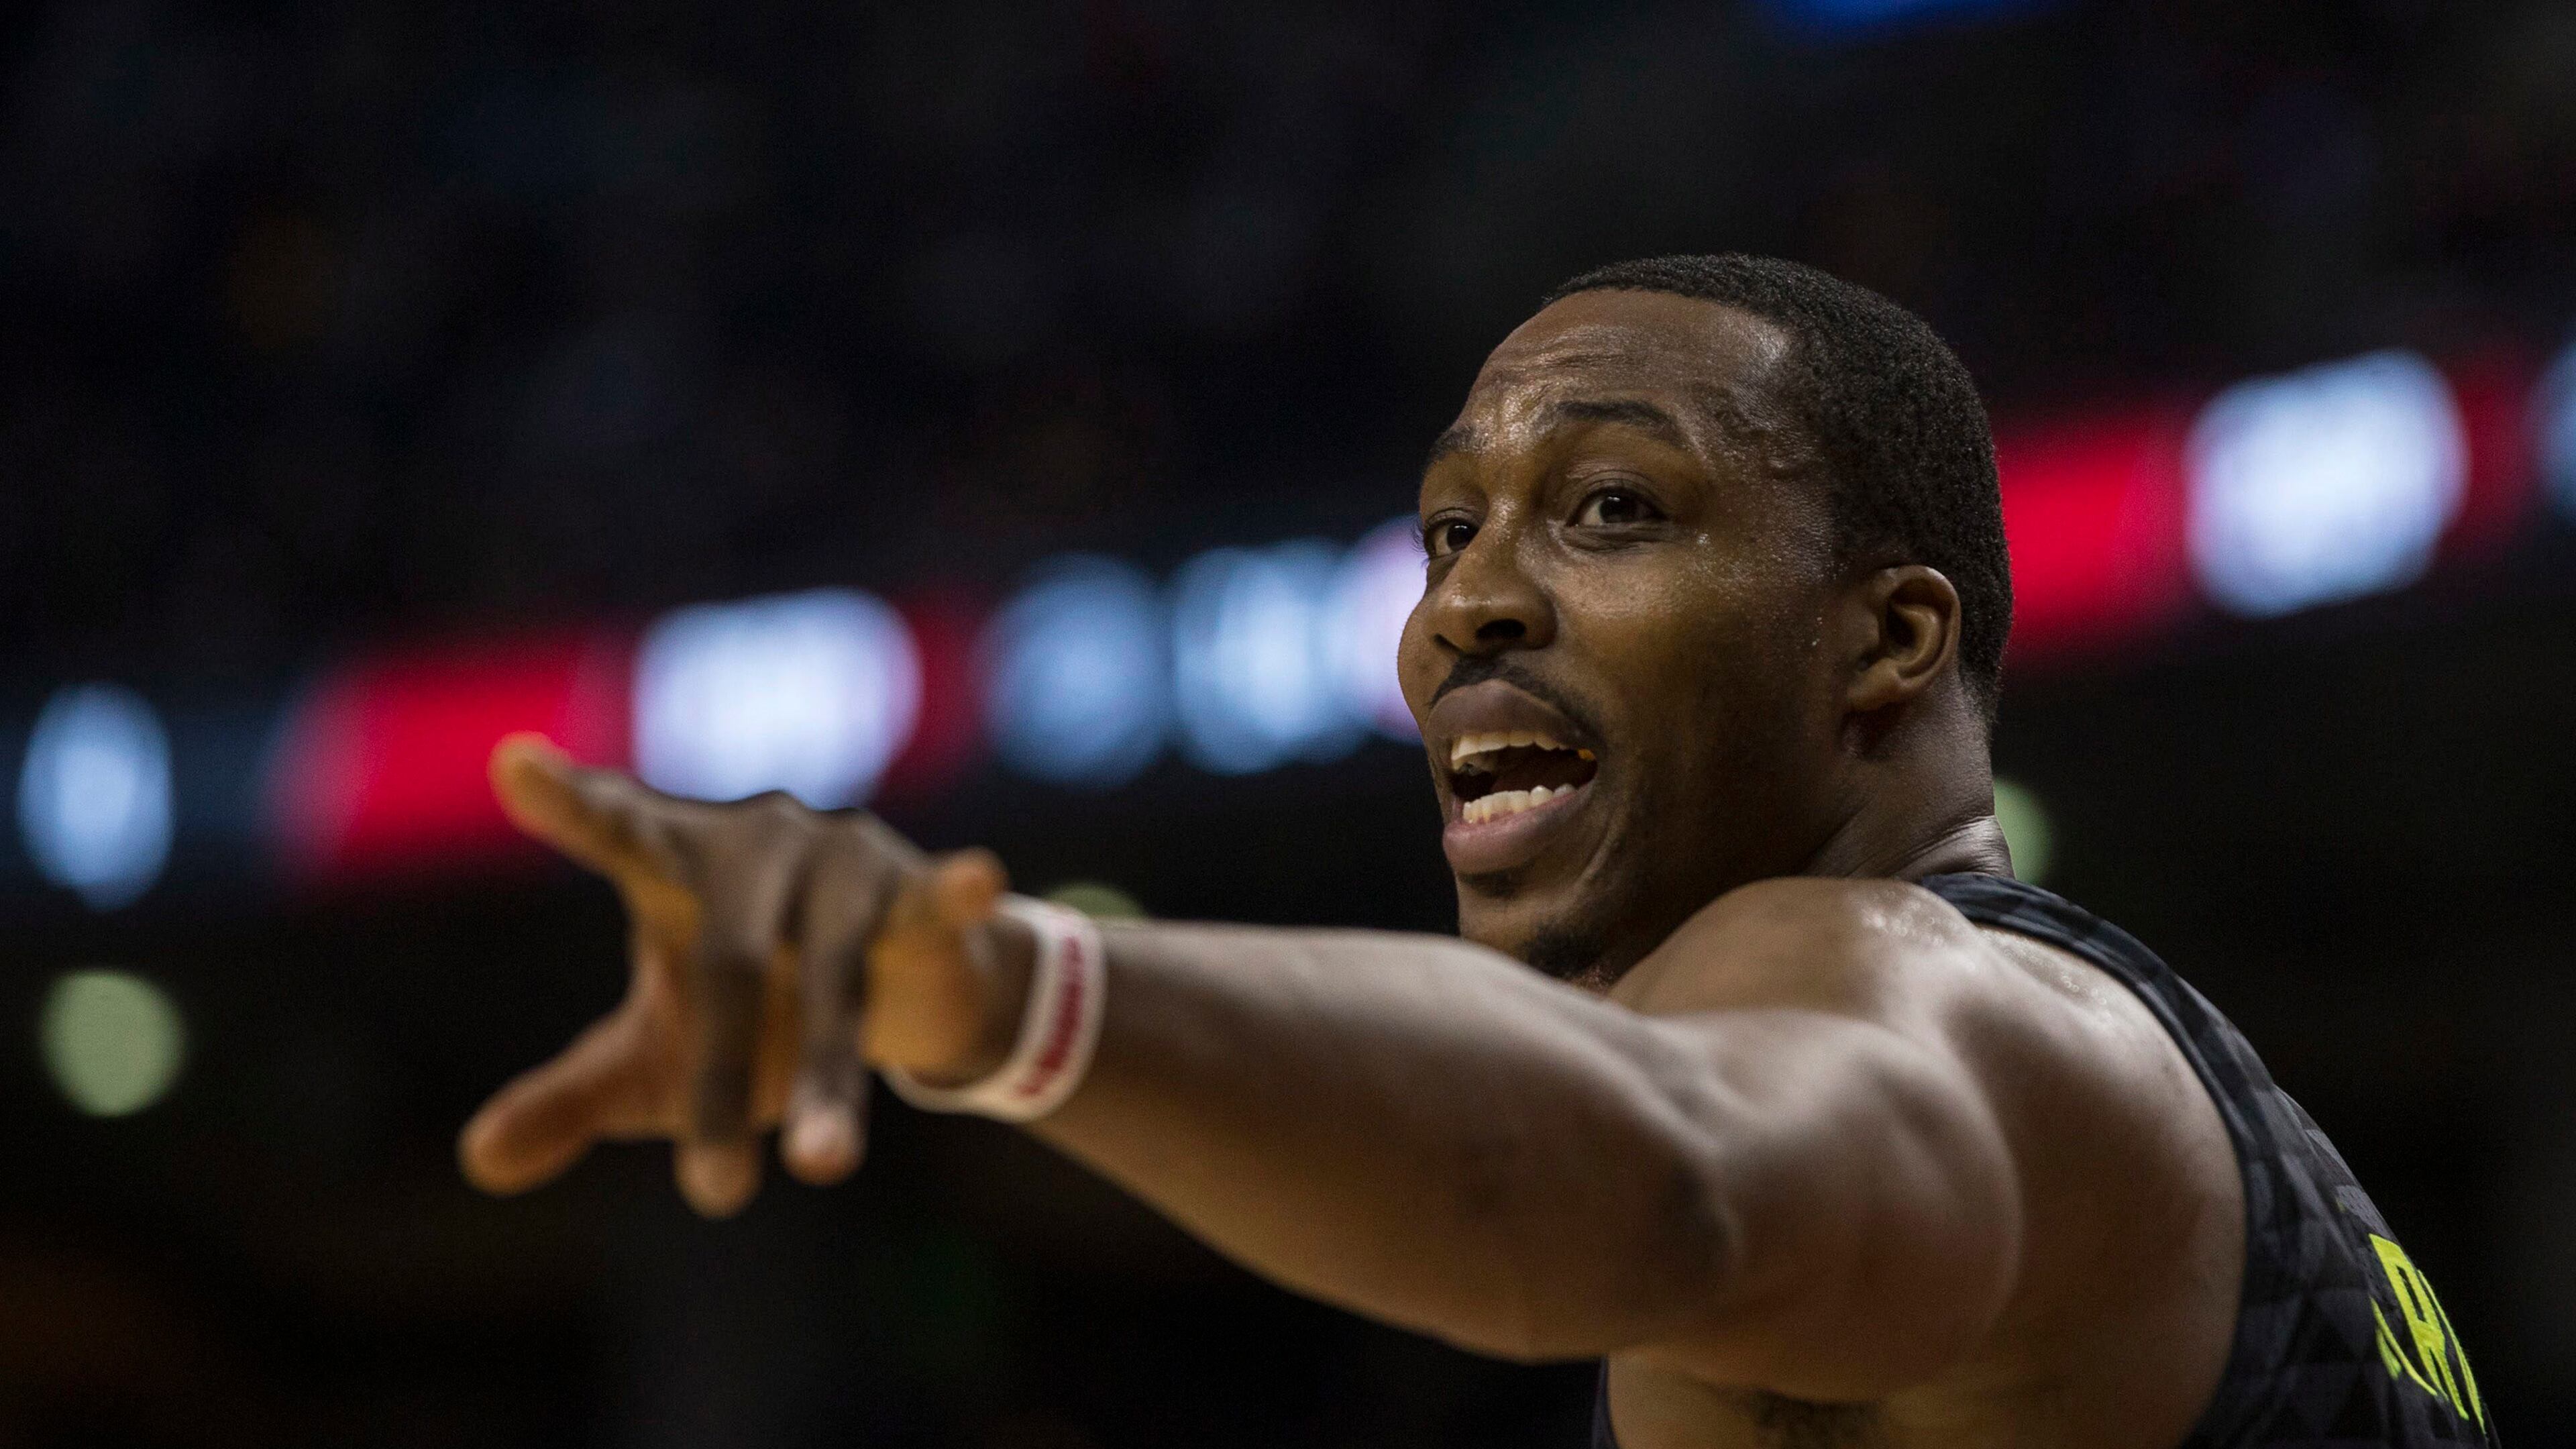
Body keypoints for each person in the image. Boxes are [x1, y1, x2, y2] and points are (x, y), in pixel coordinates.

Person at [457, 255, 2496, 1448]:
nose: (1464, 613)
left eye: (1612, 509)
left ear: (1889, 640)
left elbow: (1672, 1181)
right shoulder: (2226, 1126)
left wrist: (995, 991)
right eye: (1450, 532)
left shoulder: (1923, 990)